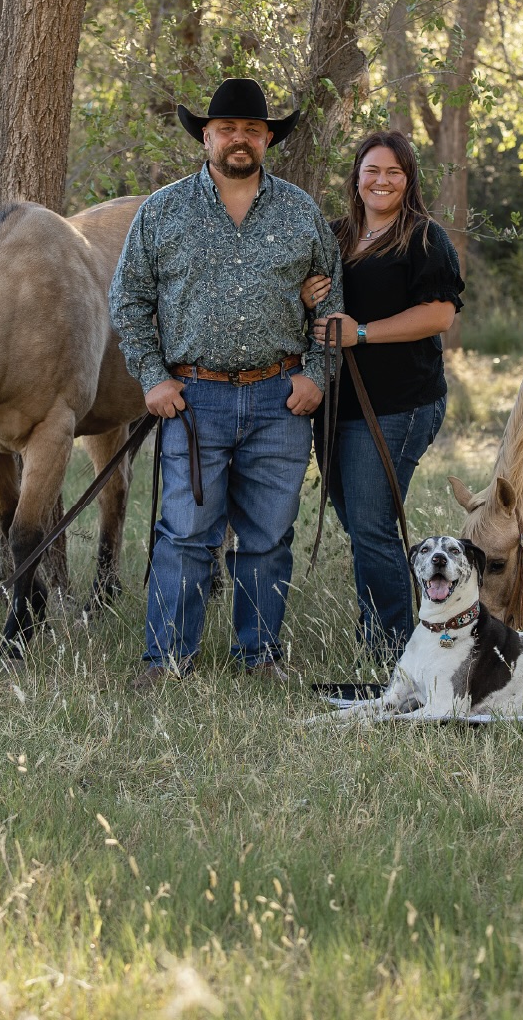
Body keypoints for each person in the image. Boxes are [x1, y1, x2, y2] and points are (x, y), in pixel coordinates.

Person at [110, 77, 343, 684]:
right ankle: (167, 661)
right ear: (206, 137)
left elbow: (331, 305)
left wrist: (315, 375)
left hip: (279, 397)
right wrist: (153, 379)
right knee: (185, 533)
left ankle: (260, 658)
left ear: (268, 139)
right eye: (228, 129)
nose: (240, 139)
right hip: (192, 398)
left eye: (253, 130)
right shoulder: (162, 212)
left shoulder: (300, 212)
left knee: (268, 535)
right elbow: (128, 300)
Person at [304, 130, 463, 660]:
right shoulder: (334, 236)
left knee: (372, 526)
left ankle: (394, 650)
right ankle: (388, 631)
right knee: (358, 521)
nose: (382, 181)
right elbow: (310, 297)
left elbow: (440, 314)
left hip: (400, 403)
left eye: (394, 172)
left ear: (408, 179)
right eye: (372, 170)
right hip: (338, 406)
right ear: (356, 176)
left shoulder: (423, 239)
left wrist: (363, 332)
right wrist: (306, 293)